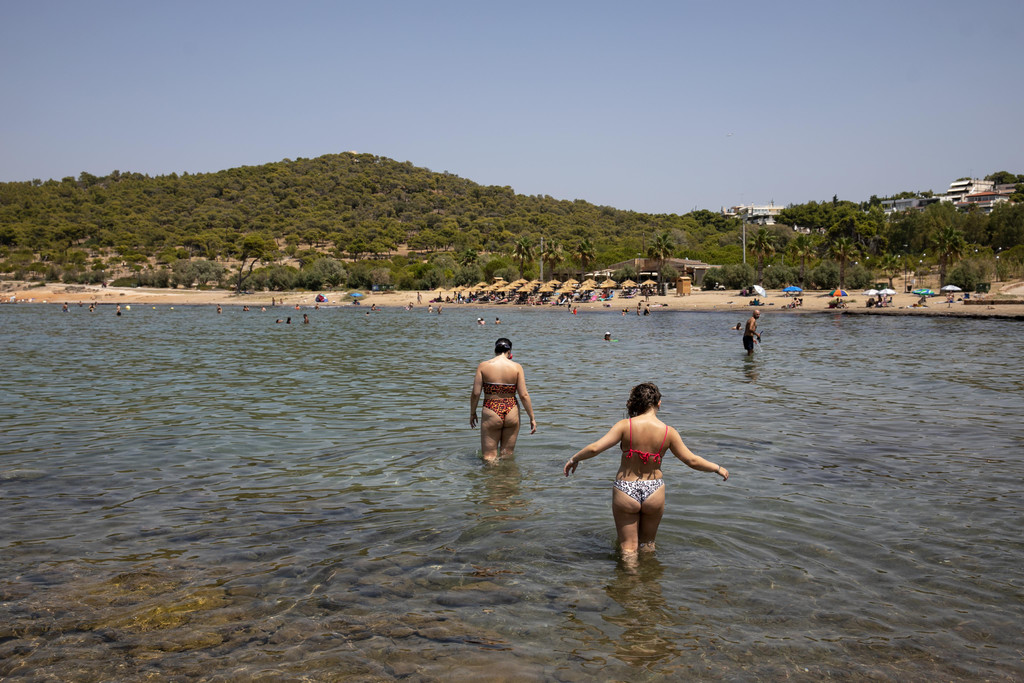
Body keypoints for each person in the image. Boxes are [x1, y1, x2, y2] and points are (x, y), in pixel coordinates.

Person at [563, 383, 728, 557]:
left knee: (628, 548)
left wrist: (574, 459)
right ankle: (649, 574)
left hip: (626, 488)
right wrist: (717, 468)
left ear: (635, 403)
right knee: (648, 544)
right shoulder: (669, 432)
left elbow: (595, 448)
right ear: (659, 403)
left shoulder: (625, 425)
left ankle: (629, 573)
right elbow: (692, 460)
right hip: (654, 490)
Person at [470, 338, 537, 464]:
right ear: (509, 352)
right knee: (507, 456)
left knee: (489, 457)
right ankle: (507, 476)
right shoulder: (517, 367)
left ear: (495, 350)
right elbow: (523, 395)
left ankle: (492, 475)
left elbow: (476, 393)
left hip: (491, 408)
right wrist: (532, 417)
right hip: (511, 409)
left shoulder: (483, 366)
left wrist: (472, 413)